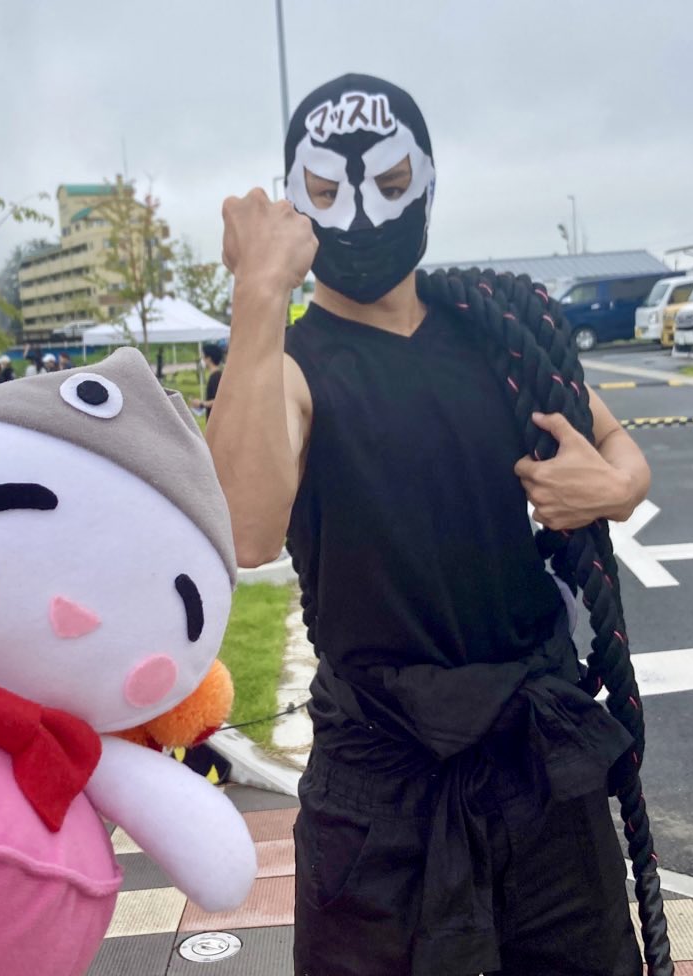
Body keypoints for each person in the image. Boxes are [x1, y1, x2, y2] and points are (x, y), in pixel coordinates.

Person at [209, 75, 663, 976]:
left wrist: (608, 488)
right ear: (295, 201)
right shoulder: (291, 368)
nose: (360, 214)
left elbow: (619, 450)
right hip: (379, 778)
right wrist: (258, 291)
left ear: (425, 180)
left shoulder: (494, 332)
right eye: (327, 191)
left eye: (388, 183)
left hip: (537, 754)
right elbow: (244, 530)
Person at [190, 343, 224, 420]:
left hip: (216, 420)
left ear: (209, 358)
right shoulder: (216, 375)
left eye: (203, 357)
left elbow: (218, 401)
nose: (202, 360)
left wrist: (201, 404)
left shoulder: (216, 377)